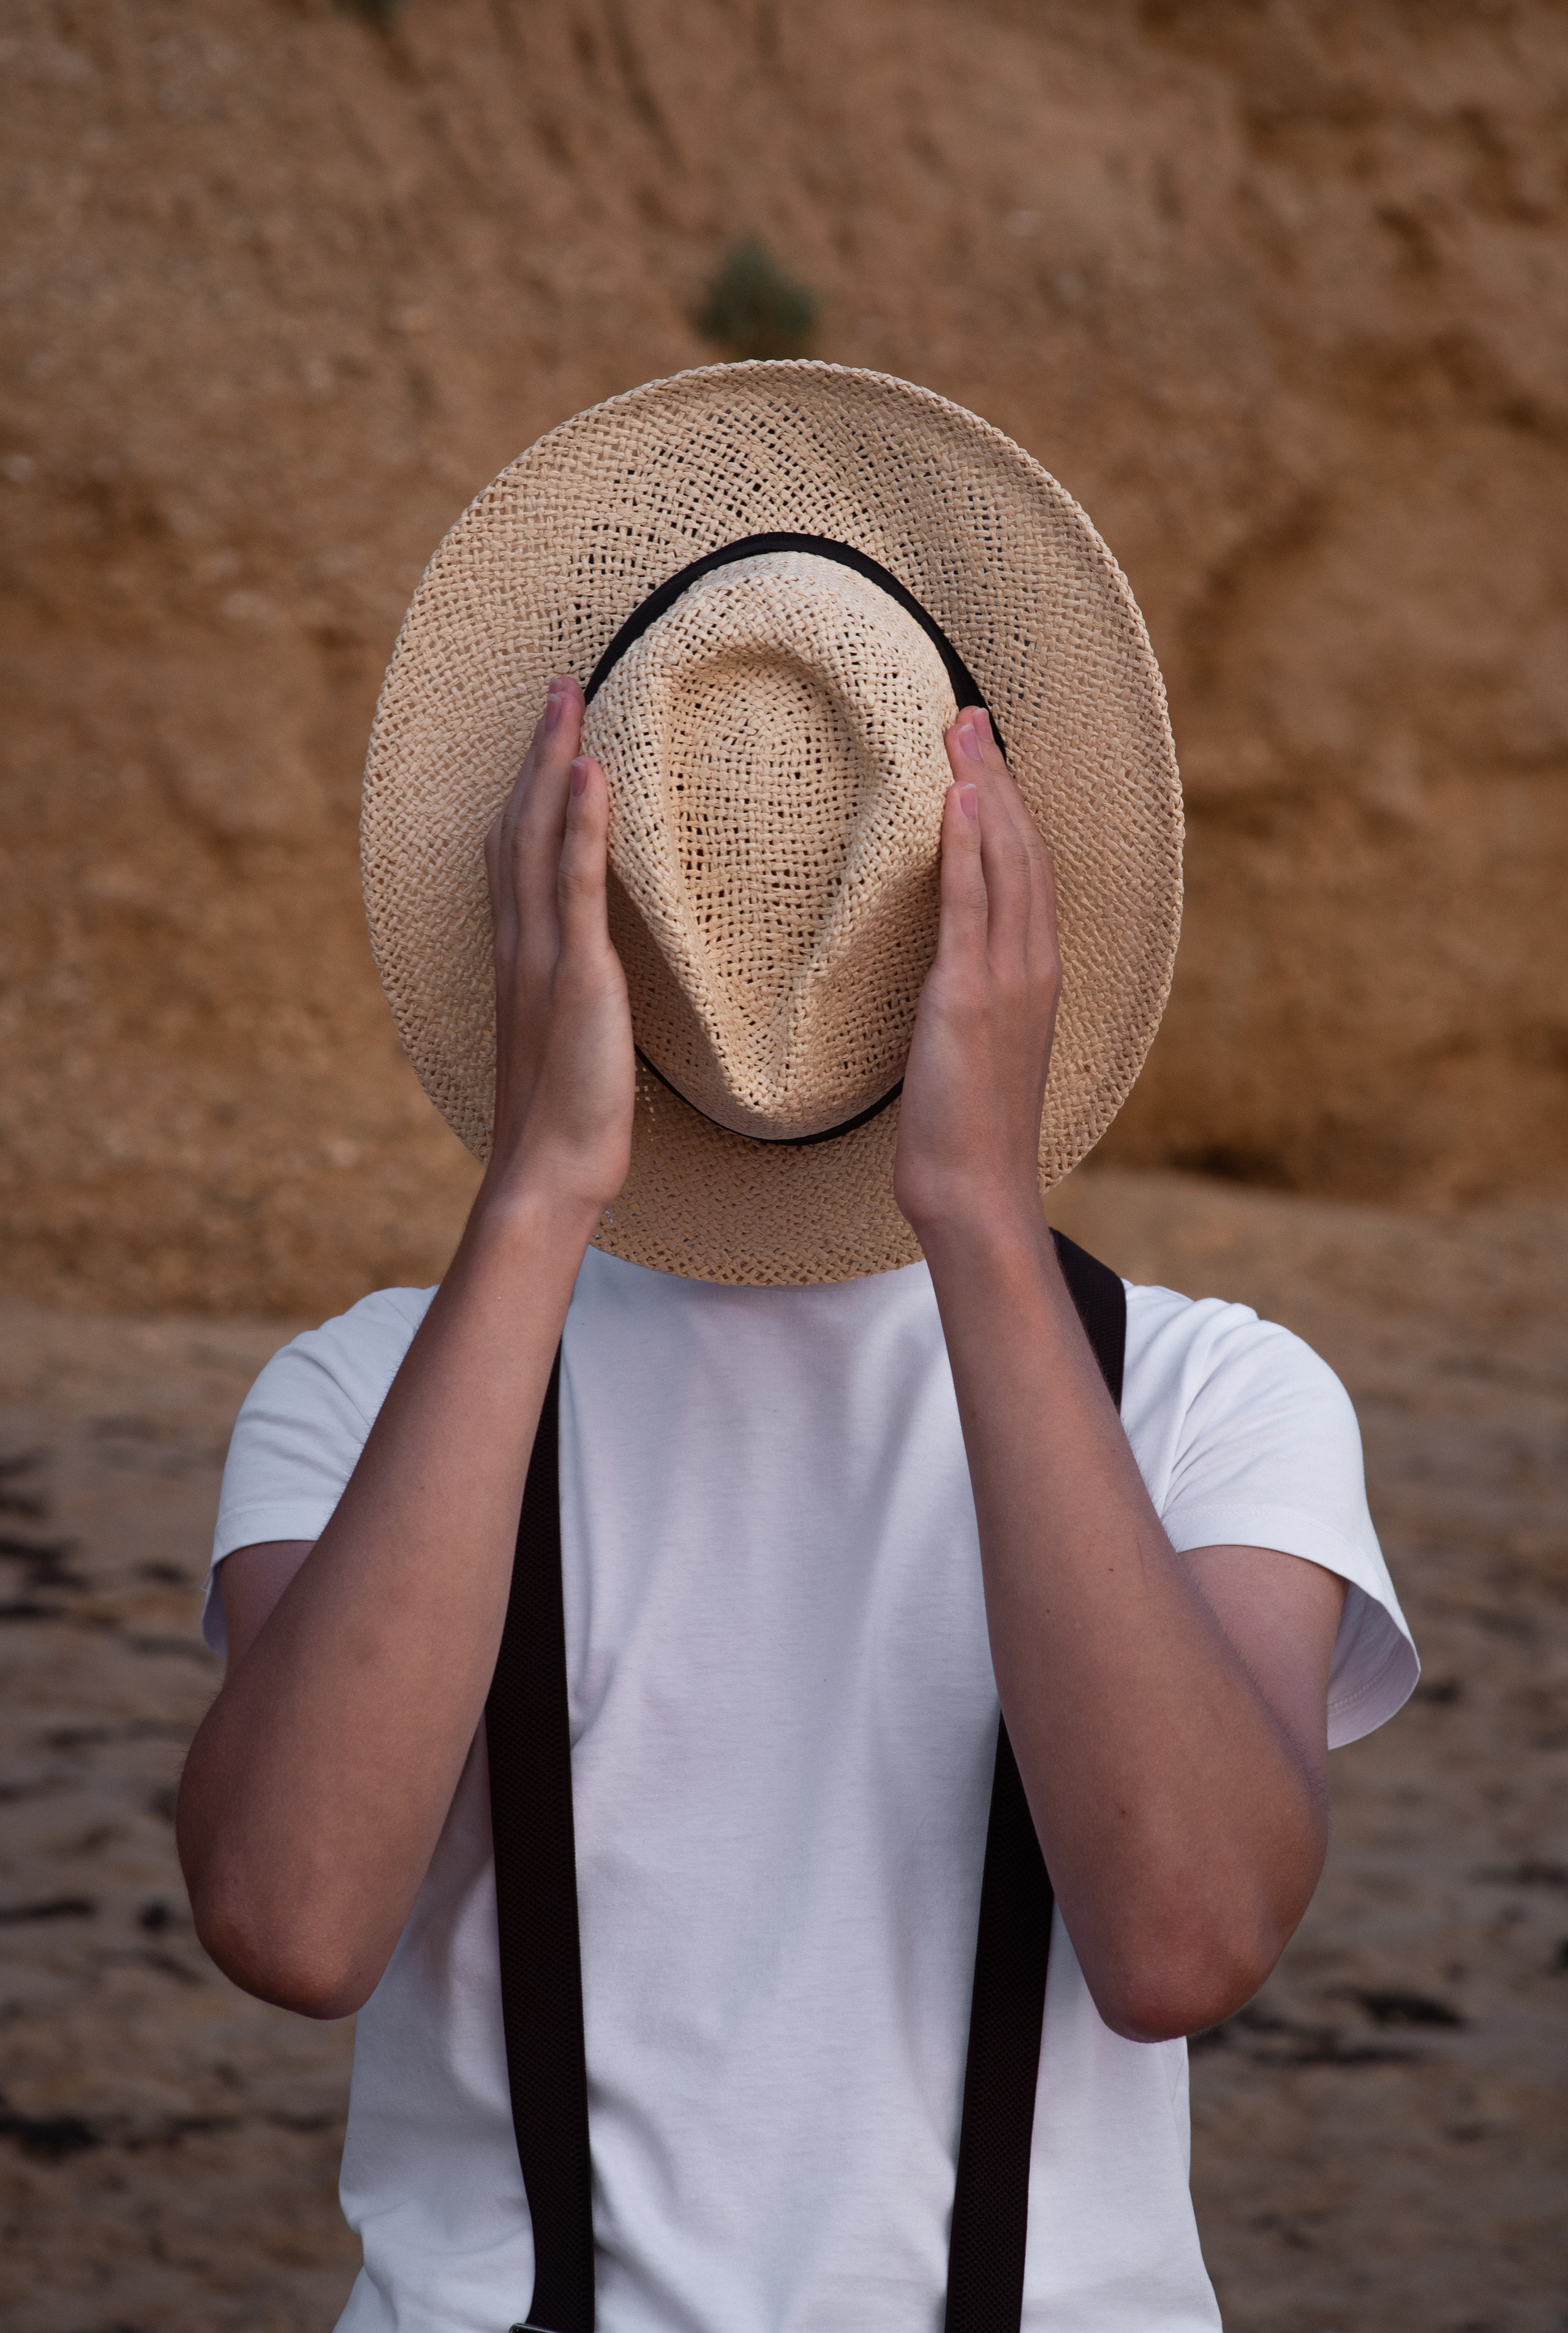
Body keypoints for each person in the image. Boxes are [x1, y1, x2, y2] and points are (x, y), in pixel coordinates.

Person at [176, 364, 1417, 2333]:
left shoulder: (1208, 1398)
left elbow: (1184, 1938)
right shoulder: (363, 1393)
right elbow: (292, 1918)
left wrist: (983, 1222)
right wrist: (536, 1192)